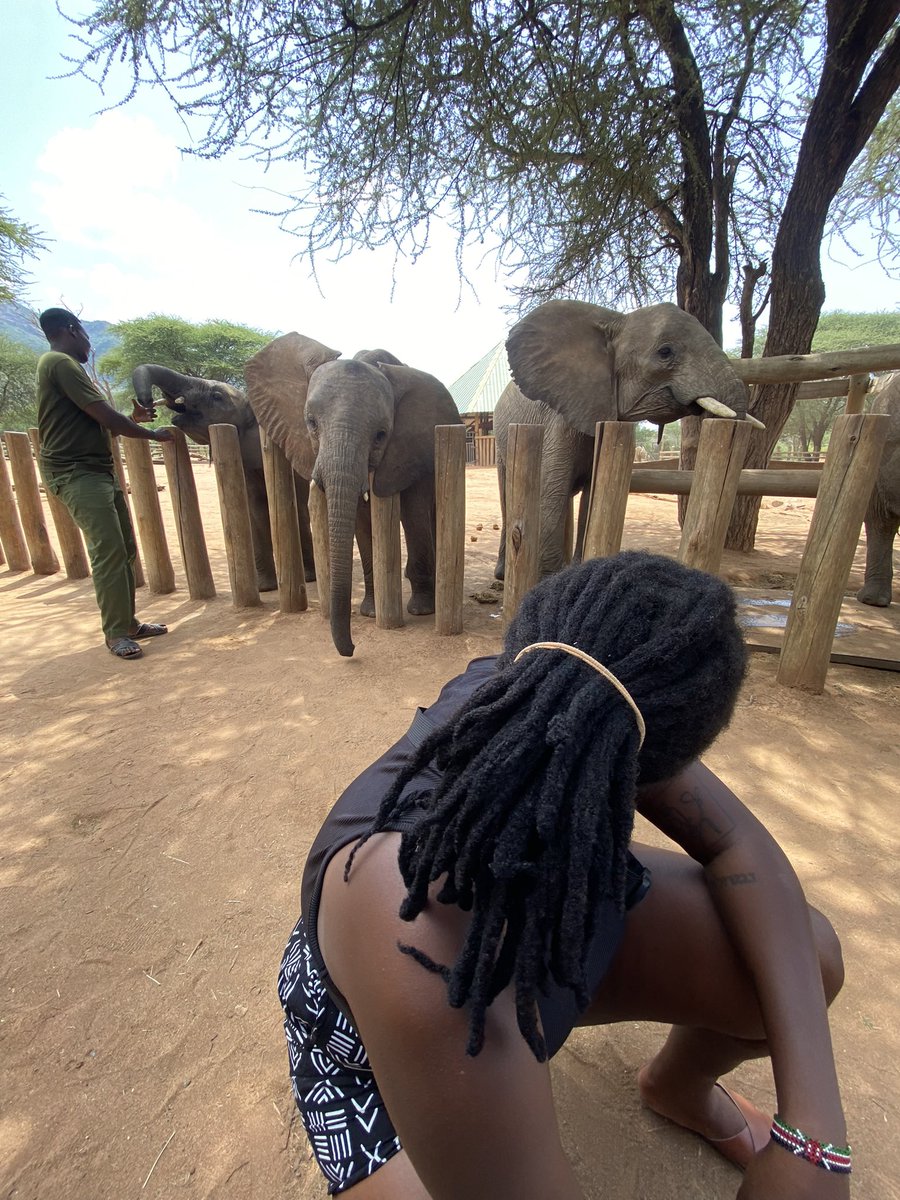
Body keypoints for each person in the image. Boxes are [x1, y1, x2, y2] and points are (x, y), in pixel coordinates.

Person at [278, 552, 850, 1200]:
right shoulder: (415, 934)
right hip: (378, 1047)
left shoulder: (591, 705)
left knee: (808, 952)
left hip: (542, 928)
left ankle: (677, 1088)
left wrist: (813, 1133)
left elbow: (740, 843)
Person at [36, 307, 175, 660]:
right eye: (85, 333)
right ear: (71, 330)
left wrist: (132, 419)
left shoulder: (68, 368)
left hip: (97, 470)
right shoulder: (59, 363)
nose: (88, 341)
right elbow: (105, 418)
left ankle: (127, 622)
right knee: (108, 548)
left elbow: (96, 421)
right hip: (74, 471)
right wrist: (150, 434)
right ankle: (115, 632)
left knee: (124, 546)